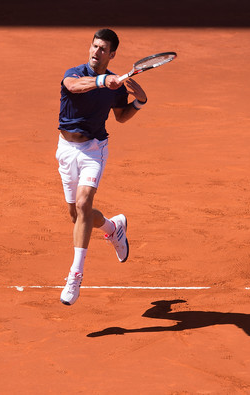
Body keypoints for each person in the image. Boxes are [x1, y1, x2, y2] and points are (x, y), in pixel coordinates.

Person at [56, 28, 148, 306]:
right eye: (94, 47)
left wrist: (139, 103)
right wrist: (102, 80)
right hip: (65, 149)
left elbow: (121, 117)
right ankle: (113, 227)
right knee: (76, 216)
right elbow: (74, 87)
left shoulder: (115, 86)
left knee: (84, 204)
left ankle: (75, 275)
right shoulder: (75, 73)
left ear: (112, 54)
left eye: (103, 49)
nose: (96, 52)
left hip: (94, 150)